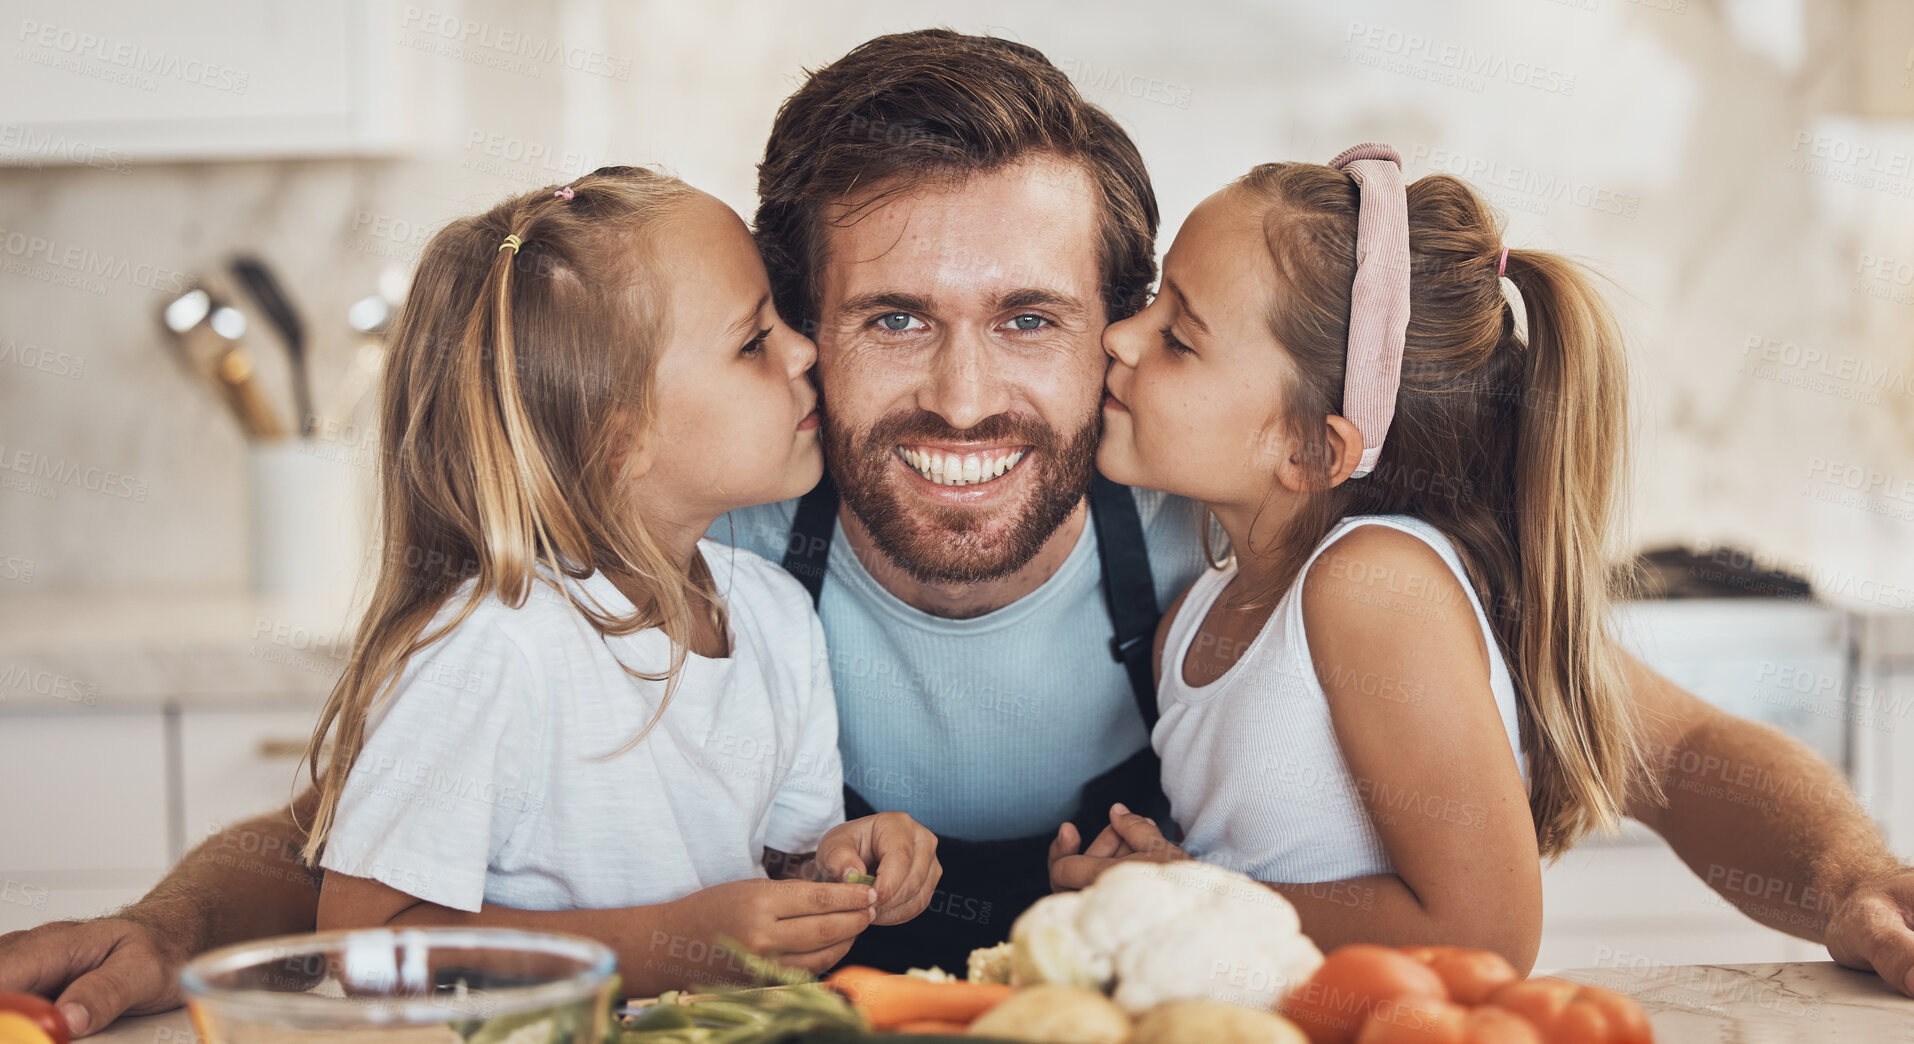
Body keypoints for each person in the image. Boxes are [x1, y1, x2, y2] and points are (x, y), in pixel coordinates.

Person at [6, 30, 1914, 1036]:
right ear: (795, 337)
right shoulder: (717, 550)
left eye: (1032, 318)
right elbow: (385, 811)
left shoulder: (1218, 549)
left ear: (1122, 331)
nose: (962, 397)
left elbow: (1649, 737)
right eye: (891, 318)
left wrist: (1844, 877)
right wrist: (175, 921)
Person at [307, 166, 940, 996]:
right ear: (621, 440)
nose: (804, 349)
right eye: (753, 341)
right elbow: (361, 944)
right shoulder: (497, 648)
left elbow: (782, 859)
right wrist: (659, 944)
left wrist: (845, 865)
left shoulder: (778, 614)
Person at [1049, 148, 1647, 973]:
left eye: (1178, 338)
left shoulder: (1373, 584)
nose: (1119, 335)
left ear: (1309, 449)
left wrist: (1191, 895)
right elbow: (1262, 887)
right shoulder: (1190, 624)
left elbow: (1487, 933)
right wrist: (1150, 889)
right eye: (1152, 303)